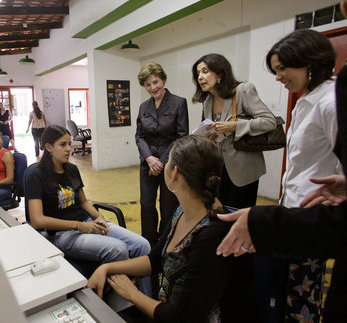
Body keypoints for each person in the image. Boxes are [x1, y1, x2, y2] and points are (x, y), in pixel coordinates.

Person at [218, 29, 340, 322]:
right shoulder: (306, 99)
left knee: (303, 292)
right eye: (275, 70)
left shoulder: (331, 103)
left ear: (309, 62)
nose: (278, 77)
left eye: (283, 68)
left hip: (313, 213)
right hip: (294, 207)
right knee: (287, 286)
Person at [87, 135, 255, 322]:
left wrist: (132, 294)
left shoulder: (212, 235)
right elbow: (155, 259)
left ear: (174, 173)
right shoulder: (184, 210)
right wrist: (107, 268)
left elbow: (183, 317)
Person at [26, 125, 151, 294]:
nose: (69, 149)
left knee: (143, 245)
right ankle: (118, 303)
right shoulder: (37, 176)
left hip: (87, 223)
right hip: (65, 234)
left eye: (69, 143)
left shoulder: (71, 169)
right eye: (63, 145)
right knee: (118, 249)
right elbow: (37, 220)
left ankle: (144, 302)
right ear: (48, 147)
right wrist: (78, 226)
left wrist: (98, 217)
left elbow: (84, 202)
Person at [191, 53, 277, 209]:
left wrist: (236, 126)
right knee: (221, 212)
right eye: (198, 74)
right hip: (218, 170)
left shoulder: (243, 90)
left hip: (242, 169)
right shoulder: (208, 101)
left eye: (205, 71)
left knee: (239, 215)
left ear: (220, 73)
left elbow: (269, 122)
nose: (200, 77)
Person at [135, 62, 189, 246]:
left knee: (168, 207)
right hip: (148, 163)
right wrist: (149, 159)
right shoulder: (143, 107)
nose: (152, 88)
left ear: (163, 79)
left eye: (155, 82)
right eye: (147, 85)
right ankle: (149, 243)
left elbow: (181, 137)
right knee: (146, 204)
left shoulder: (179, 103)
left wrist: (162, 162)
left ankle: (166, 242)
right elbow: (139, 136)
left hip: (170, 164)